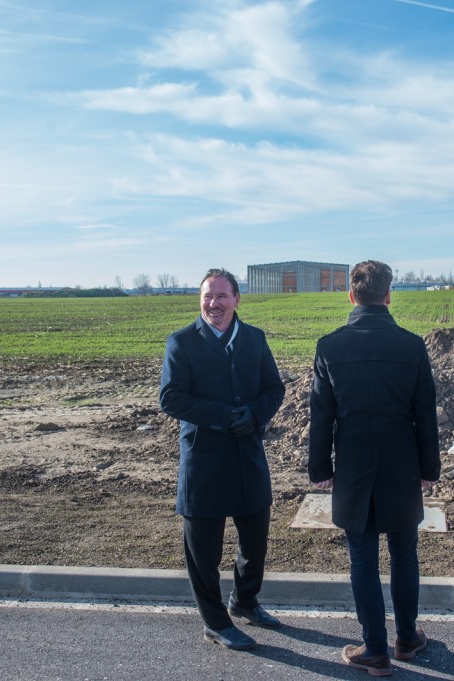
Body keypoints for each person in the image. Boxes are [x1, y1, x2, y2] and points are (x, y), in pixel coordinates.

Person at [308, 260, 441, 677]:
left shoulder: (330, 346)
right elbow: (425, 414)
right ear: (388, 296)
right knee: (404, 554)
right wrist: (430, 467)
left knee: (363, 561)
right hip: (403, 467)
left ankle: (375, 649)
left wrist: (320, 468)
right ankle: (407, 638)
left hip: (354, 468)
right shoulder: (412, 346)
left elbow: (321, 415)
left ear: (352, 296)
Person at [159, 268, 286, 651]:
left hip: (248, 457)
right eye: (207, 297)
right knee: (204, 553)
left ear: (236, 299)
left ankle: (245, 601)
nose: (213, 304)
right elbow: (170, 398)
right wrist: (223, 416)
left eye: (221, 296)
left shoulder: (254, 338)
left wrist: (255, 414)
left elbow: (274, 387)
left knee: (255, 542)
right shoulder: (181, 342)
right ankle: (215, 623)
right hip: (204, 463)